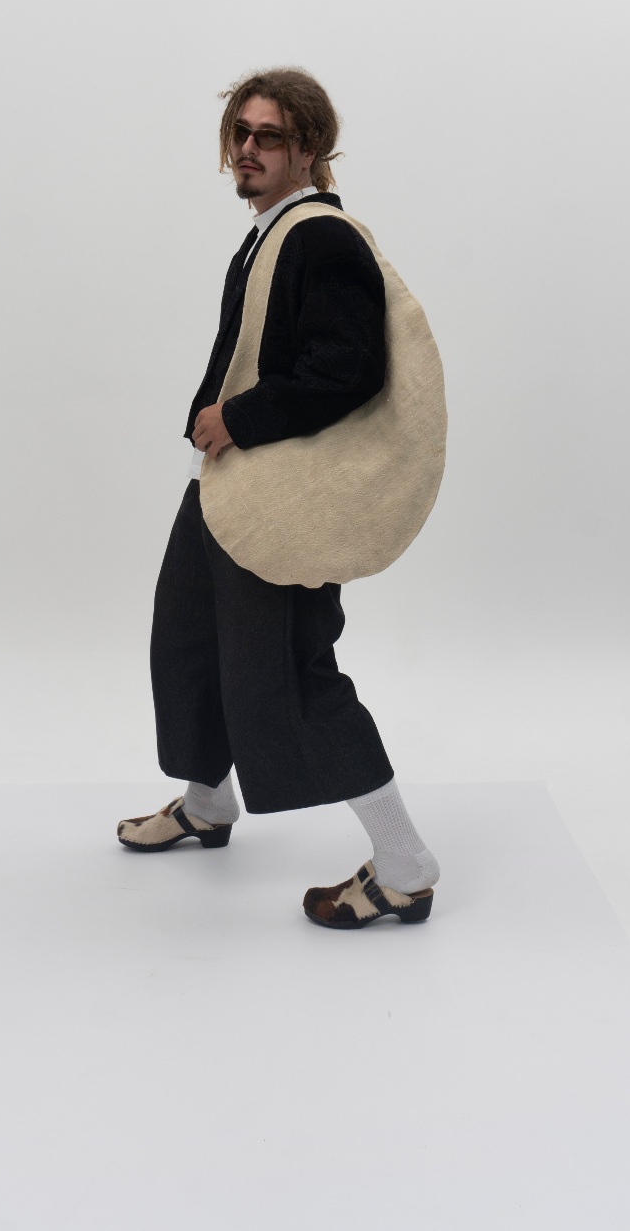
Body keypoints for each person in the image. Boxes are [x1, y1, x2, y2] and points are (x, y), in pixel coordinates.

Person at [117, 67, 441, 929]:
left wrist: (238, 418)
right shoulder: (269, 233)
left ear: (310, 149)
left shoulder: (319, 237)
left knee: (291, 672)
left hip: (278, 499)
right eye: (240, 134)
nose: (247, 150)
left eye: (269, 137)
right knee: (188, 640)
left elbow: (348, 368)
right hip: (231, 487)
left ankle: (405, 864)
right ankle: (206, 804)